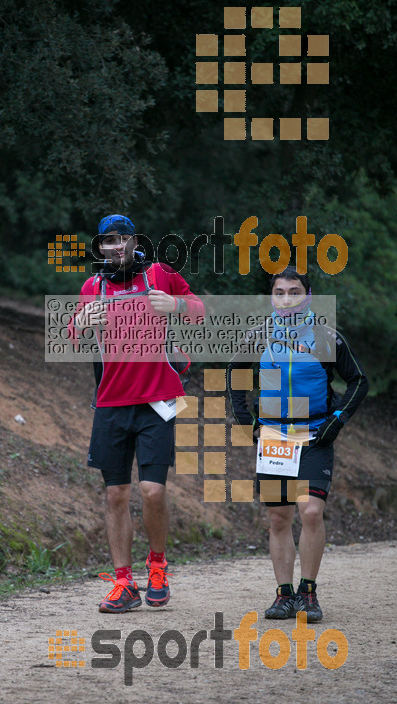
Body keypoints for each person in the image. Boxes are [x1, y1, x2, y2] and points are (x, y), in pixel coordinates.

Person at [68, 214, 204, 613]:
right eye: (108, 240)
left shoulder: (160, 273)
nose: (116, 246)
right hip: (111, 402)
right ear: (101, 247)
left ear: (133, 241)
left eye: (122, 238)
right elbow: (77, 340)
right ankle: (123, 582)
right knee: (115, 494)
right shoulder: (92, 287)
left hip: (157, 400)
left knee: (152, 490)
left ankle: (157, 566)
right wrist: (80, 322)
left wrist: (176, 303)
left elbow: (199, 311)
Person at [226, 267, 368, 621]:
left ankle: (308, 592)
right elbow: (235, 374)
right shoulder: (258, 336)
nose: (286, 298)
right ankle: (284, 595)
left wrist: (336, 423)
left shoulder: (326, 337)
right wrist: (245, 420)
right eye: (279, 292)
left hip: (314, 434)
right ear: (272, 297)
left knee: (311, 512)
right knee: (278, 518)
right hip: (273, 436)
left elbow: (358, 381)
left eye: (294, 291)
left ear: (308, 295)